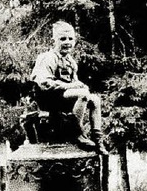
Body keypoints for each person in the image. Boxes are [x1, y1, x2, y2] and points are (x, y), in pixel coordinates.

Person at [31, 21, 106, 153]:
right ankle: (76, 132)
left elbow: (74, 81)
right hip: (49, 98)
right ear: (53, 41)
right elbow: (44, 83)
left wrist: (80, 85)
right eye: (63, 39)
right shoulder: (48, 58)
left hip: (64, 97)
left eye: (70, 39)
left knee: (94, 99)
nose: (67, 42)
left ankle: (98, 138)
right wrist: (71, 86)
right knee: (82, 94)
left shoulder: (70, 61)